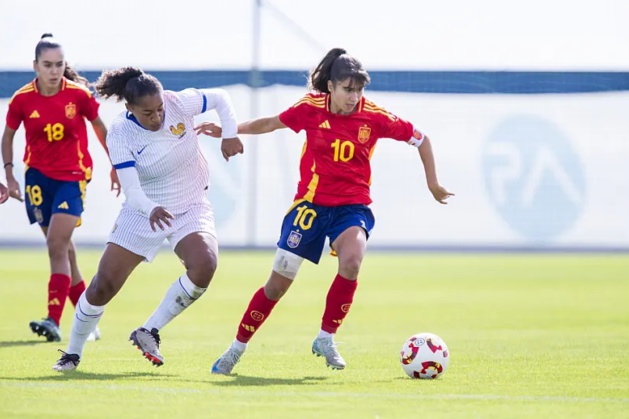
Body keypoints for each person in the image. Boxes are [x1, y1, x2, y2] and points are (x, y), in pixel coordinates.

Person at [196, 47, 454, 375]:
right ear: (331, 86)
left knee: (352, 260)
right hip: (310, 206)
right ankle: (237, 347)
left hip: (351, 207)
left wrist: (433, 183)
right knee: (277, 285)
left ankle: (325, 337)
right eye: (348, 89)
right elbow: (271, 123)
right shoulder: (310, 108)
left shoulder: (374, 116)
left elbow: (421, 139)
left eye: (359, 90)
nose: (354, 97)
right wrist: (230, 131)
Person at [52, 66, 244, 372]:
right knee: (104, 285)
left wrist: (230, 135)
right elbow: (132, 189)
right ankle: (72, 353)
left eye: (159, 110)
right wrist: (151, 207)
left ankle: (149, 330)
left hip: (191, 204)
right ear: (129, 109)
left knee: (205, 265)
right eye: (147, 113)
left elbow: (222, 98)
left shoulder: (179, 103)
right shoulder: (120, 133)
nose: (157, 118)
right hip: (145, 211)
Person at [1, 33, 120, 342]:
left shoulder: (78, 96)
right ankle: (88, 321)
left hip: (72, 177)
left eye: (59, 65)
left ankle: (53, 320)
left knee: (56, 244)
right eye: (47, 65)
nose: (54, 71)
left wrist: (116, 167)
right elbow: (8, 136)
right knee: (65, 250)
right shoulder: (22, 99)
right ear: (35, 66)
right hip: (38, 180)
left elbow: (100, 128)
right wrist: (10, 175)